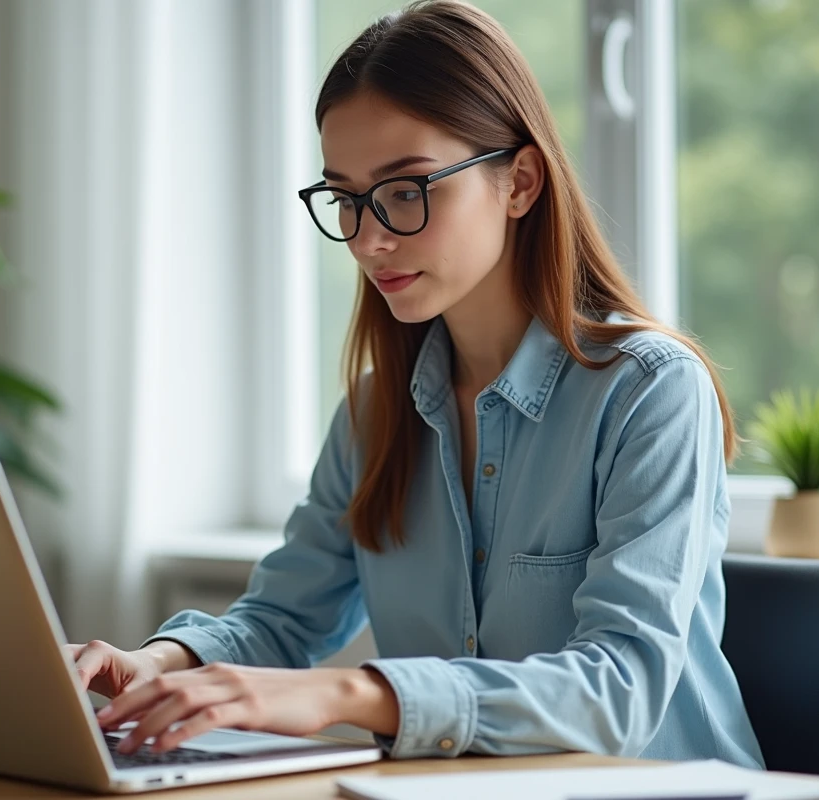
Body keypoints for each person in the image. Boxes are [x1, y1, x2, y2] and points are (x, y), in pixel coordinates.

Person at [68, 0, 765, 769]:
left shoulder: (650, 394)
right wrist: (162, 664)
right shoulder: (374, 414)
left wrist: (344, 695)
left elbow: (618, 692)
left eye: (407, 190)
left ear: (520, 182)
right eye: (345, 198)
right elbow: (282, 620)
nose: (368, 238)